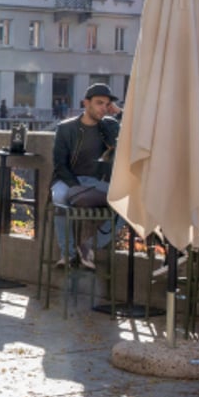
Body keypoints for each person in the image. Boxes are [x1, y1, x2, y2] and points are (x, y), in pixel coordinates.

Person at [50, 82, 121, 269]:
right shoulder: (66, 128)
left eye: (107, 104)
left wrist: (119, 113)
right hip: (67, 179)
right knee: (59, 199)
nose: (103, 108)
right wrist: (74, 185)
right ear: (85, 103)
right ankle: (67, 254)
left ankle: (88, 246)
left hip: (96, 182)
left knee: (127, 203)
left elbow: (133, 135)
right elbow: (59, 164)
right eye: (99, 103)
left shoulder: (110, 126)